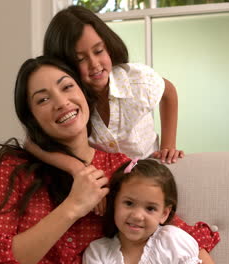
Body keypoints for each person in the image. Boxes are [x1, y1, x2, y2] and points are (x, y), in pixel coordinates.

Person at [0, 56, 218, 264]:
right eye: (43, 99)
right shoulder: (14, 169)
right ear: (32, 117)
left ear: (83, 92)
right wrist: (74, 206)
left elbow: (185, 237)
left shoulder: (120, 169)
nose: (61, 102)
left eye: (67, 87)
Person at [42, 5, 183, 164]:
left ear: (108, 47)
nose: (94, 64)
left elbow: (168, 91)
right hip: (106, 182)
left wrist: (168, 145)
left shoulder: (138, 80)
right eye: (80, 59)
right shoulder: (68, 105)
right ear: (64, 66)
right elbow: (35, 142)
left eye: (98, 51)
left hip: (149, 176)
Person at [83, 159, 201, 264]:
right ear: (114, 203)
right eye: (129, 203)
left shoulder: (173, 242)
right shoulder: (98, 252)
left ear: (164, 214)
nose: (137, 216)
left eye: (150, 208)